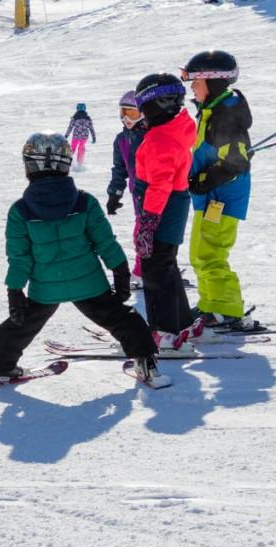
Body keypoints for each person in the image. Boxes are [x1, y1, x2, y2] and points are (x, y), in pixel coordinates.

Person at [0, 133, 162, 388]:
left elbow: (19, 258)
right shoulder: (84, 202)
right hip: (88, 284)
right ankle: (146, 361)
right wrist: (120, 270)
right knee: (122, 318)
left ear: (28, 167)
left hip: (46, 287)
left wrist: (15, 290)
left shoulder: (20, 211)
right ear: (66, 163)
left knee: (20, 325)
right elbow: (105, 242)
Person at [182, 50, 259, 331]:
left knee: (210, 253)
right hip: (211, 197)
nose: (191, 87)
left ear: (213, 82)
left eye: (196, 82)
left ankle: (227, 309)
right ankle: (211, 304)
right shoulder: (213, 110)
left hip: (222, 198)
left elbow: (236, 161)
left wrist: (206, 179)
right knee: (200, 252)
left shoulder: (225, 115)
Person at [132, 73, 200, 352]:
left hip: (163, 204)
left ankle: (165, 333)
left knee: (155, 268)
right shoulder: (175, 130)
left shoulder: (161, 140)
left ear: (156, 105)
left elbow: (160, 183)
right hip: (176, 202)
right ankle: (182, 324)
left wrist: (148, 221)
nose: (141, 115)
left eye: (143, 108)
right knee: (166, 264)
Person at [106, 90, 148, 275]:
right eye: (123, 112)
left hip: (156, 190)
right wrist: (114, 193)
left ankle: (152, 268)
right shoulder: (121, 139)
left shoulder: (150, 135)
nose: (126, 118)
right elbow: (119, 169)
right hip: (137, 192)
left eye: (131, 113)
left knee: (154, 231)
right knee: (142, 230)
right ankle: (144, 269)